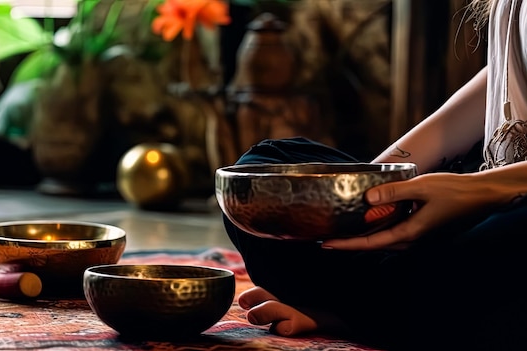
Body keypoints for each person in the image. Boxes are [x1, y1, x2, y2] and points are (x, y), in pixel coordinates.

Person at [222, 1, 527, 350]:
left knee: (504, 241)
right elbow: (497, 79)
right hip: (481, 219)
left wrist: (479, 188)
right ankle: (393, 306)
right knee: (265, 169)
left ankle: (360, 310)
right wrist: (362, 193)